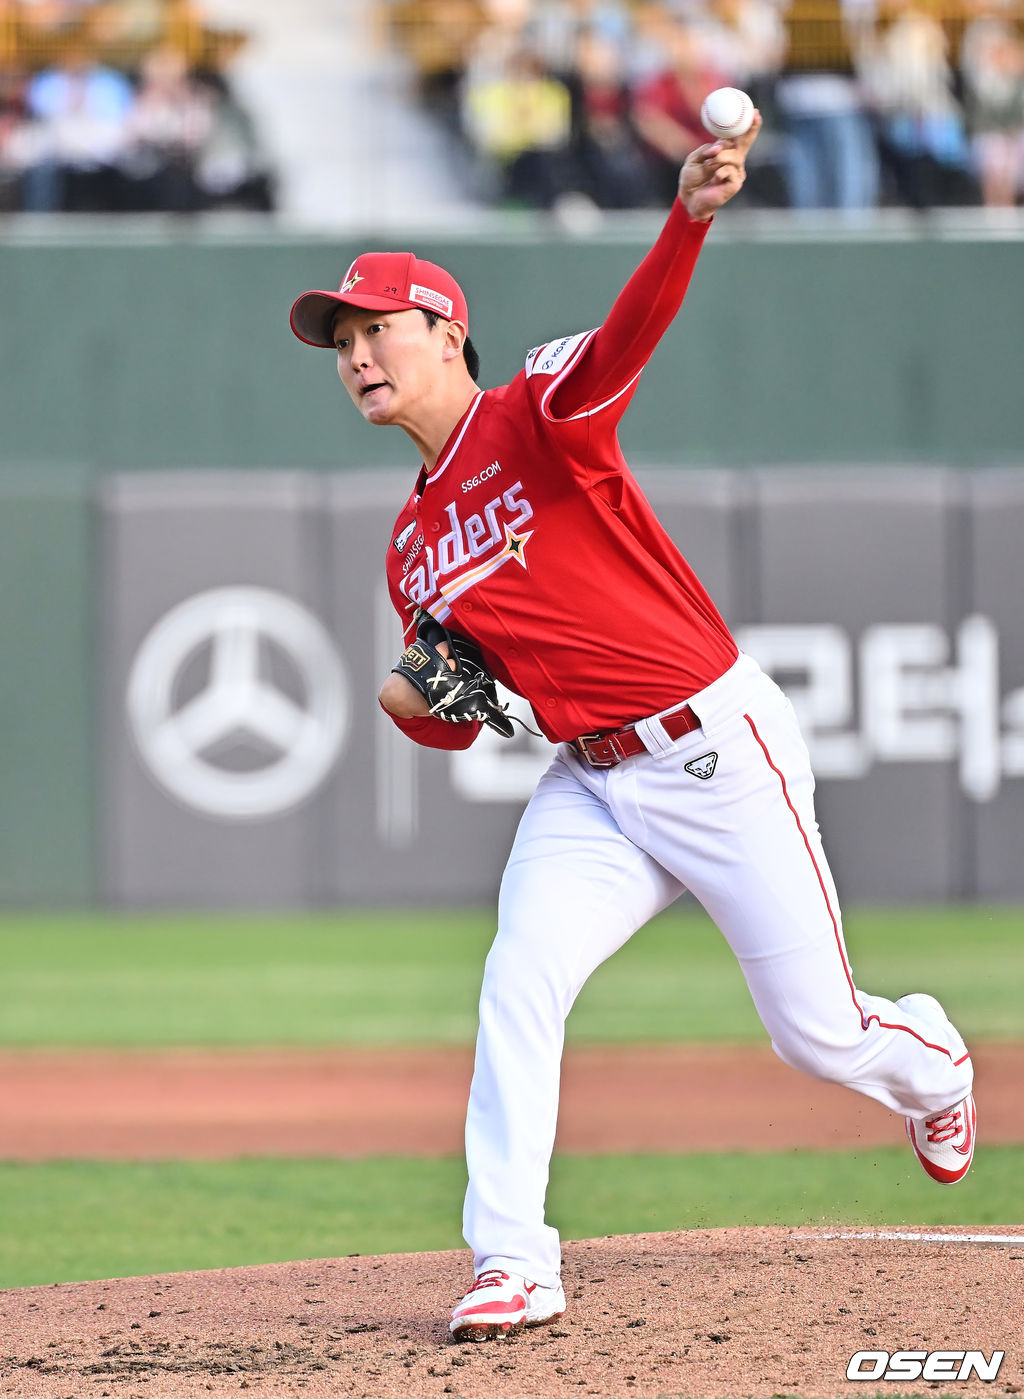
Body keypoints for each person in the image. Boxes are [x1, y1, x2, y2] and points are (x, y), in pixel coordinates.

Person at [288, 111, 976, 1344]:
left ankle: (931, 1063)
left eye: (377, 327)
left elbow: (625, 340)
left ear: (446, 332)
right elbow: (469, 716)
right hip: (591, 783)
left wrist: (686, 220)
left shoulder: (537, 411)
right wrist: (421, 712)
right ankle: (512, 1258)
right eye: (341, 340)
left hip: (714, 750)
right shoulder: (409, 549)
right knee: (518, 979)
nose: (356, 354)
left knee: (818, 1035)